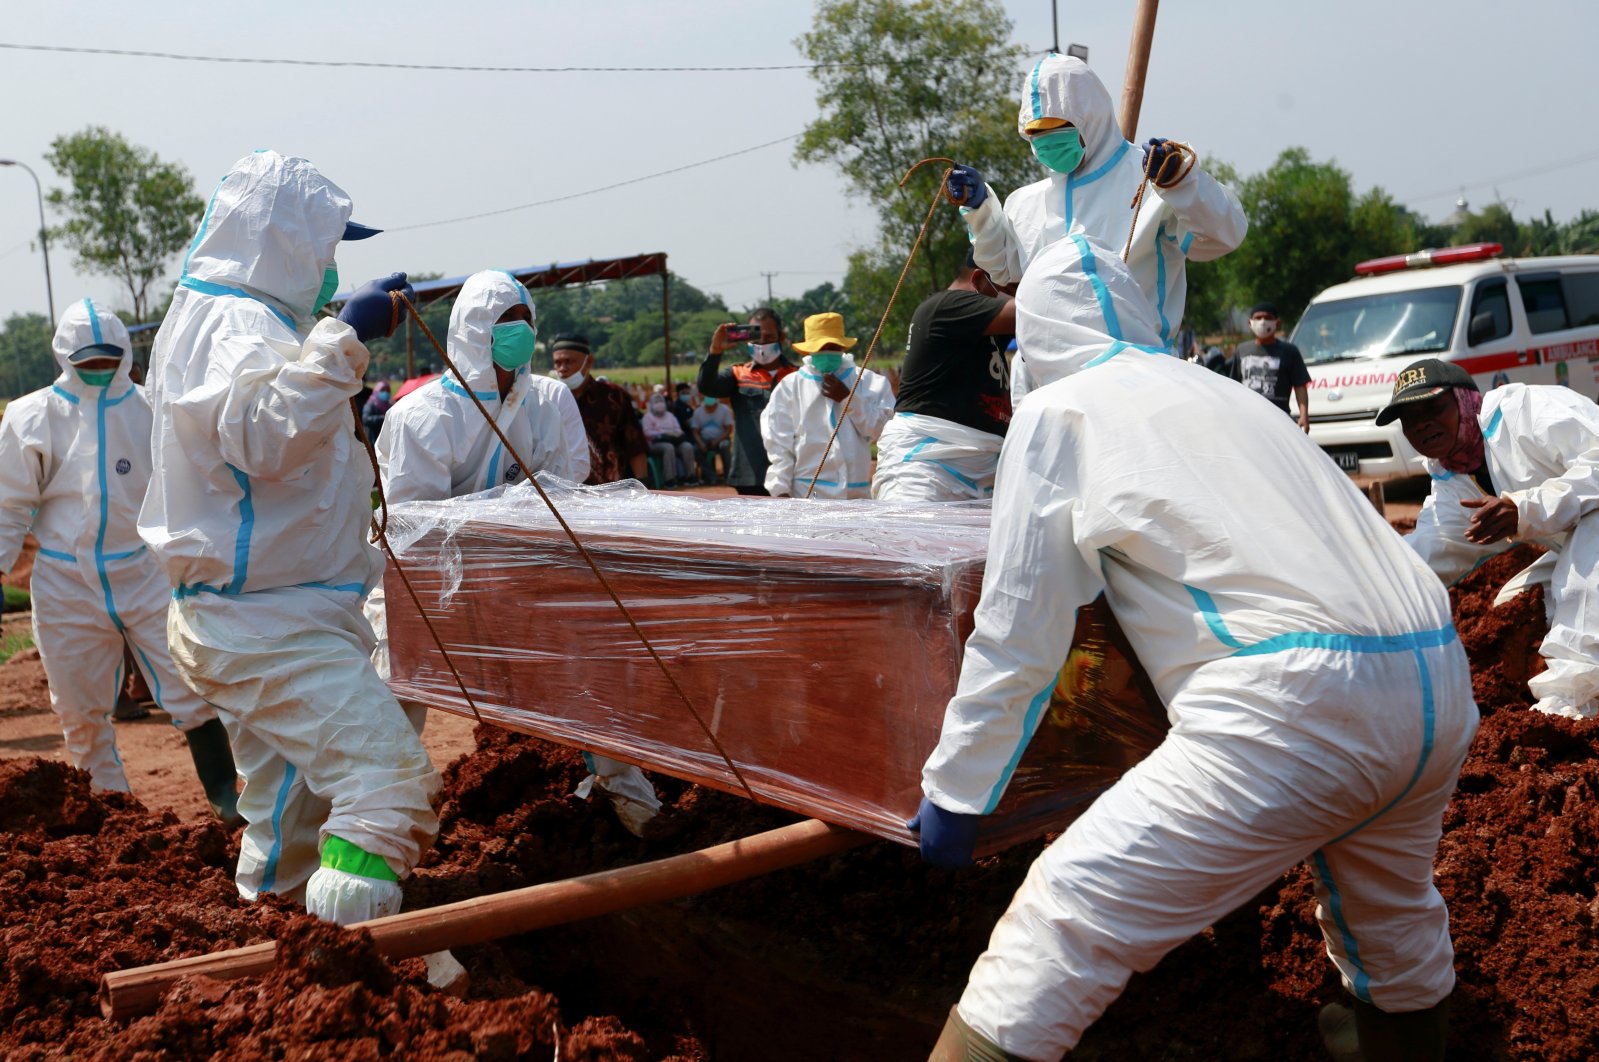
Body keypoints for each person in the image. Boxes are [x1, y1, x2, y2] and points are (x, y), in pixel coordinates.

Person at [911, 235, 1476, 1061]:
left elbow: (1019, 627)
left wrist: (958, 789)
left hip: (1295, 702)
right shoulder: (1232, 396)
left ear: (1033, 334)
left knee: (1063, 921)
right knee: (1390, 916)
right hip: (1432, 675)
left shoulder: (1061, 411)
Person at [139, 150, 442, 941]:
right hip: (267, 621)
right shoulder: (235, 324)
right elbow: (267, 437)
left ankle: (269, 940)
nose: (331, 262)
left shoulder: (231, 317)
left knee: (288, 812)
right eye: (328, 243)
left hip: (266, 610)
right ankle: (359, 963)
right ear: (286, 236)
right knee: (386, 787)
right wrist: (345, 336)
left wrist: (329, 337)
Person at [0, 299, 241, 824]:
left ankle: (226, 800)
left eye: (108, 360)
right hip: (65, 580)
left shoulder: (152, 410)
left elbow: (191, 487)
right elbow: (9, 504)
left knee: (192, 689)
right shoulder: (32, 417)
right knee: (78, 709)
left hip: (147, 570)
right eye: (87, 362)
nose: (99, 370)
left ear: (125, 355)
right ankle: (114, 815)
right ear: (65, 357)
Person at [945, 53, 1246, 391]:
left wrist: (1183, 185)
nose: (1046, 140)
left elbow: (1224, 236)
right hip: (1049, 387)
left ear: (1090, 117)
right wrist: (980, 210)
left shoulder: (1150, 179)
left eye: (1057, 128)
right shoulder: (1026, 203)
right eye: (1036, 132)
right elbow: (1003, 269)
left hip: (1140, 378)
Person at [1384, 357, 1599, 719]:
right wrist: (1355, 584)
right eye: (1409, 419)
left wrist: (1524, 508)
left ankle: (1570, 704)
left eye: (1433, 408)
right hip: (1581, 543)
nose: (1422, 424)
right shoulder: (1452, 482)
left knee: (1584, 571)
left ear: (1464, 400)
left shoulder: (1525, 412)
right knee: (1517, 609)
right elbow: (1428, 552)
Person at [873, 251, 1016, 502]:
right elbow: (1033, 311)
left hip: (982, 469)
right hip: (927, 462)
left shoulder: (987, 331)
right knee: (915, 529)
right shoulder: (947, 305)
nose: (1013, 295)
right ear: (978, 279)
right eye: (1009, 288)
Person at [760, 313, 894, 500]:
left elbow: (882, 432)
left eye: (832, 347)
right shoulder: (791, 386)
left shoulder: (869, 382)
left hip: (855, 493)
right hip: (807, 492)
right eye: (820, 348)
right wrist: (780, 488)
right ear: (808, 350)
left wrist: (848, 399)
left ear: (842, 347)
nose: (826, 352)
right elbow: (779, 443)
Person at [698, 308, 799, 495]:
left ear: (781, 336)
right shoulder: (738, 373)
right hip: (750, 471)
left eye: (769, 337)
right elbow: (707, 387)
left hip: (792, 470)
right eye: (756, 336)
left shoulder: (797, 375)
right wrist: (715, 351)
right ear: (746, 339)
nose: (762, 343)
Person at [550, 334, 649, 485]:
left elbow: (634, 445)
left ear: (588, 361)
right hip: (563, 490)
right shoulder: (548, 399)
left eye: (569, 361)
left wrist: (643, 484)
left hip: (611, 490)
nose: (562, 369)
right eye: (558, 363)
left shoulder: (614, 397)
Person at [1232, 301, 1311, 431]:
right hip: (1248, 420)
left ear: (1277, 323)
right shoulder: (1242, 350)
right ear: (1250, 323)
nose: (1262, 322)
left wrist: (1304, 415)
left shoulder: (1290, 351)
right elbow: (1233, 386)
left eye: (1267, 318)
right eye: (1258, 318)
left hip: (1280, 421)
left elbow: (1300, 386)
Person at [641, 392, 697, 487]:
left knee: (687, 447)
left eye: (661, 401)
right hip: (655, 444)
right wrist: (663, 434)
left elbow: (678, 429)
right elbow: (647, 433)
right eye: (656, 401)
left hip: (674, 441)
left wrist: (676, 434)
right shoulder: (647, 417)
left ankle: (690, 476)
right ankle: (670, 479)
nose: (659, 404)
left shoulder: (670, 416)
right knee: (668, 447)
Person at [690, 393, 734, 485]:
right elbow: (695, 432)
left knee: (724, 446)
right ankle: (712, 477)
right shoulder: (698, 412)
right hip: (704, 440)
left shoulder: (724, 410)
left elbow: (729, 430)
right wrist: (701, 444)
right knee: (695, 450)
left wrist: (717, 441)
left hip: (721, 439)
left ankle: (728, 477)